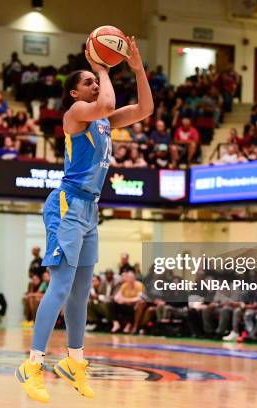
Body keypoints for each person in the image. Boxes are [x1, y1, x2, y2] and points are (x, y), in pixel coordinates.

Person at [15, 36, 153, 403]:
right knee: (59, 288)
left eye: (95, 79)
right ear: (75, 94)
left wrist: (137, 67)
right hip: (66, 206)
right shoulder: (75, 115)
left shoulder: (106, 120)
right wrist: (103, 66)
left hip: (90, 210)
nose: (95, 84)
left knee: (80, 296)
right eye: (88, 82)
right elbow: (107, 101)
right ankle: (32, 365)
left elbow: (145, 109)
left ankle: (74, 362)